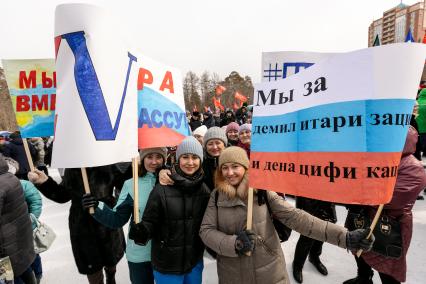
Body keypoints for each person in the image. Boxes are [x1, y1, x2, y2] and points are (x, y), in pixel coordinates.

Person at [199, 146, 374, 284]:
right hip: (233, 275)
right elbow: (206, 231)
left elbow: (298, 218)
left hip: (270, 272)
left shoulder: (262, 192)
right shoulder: (216, 196)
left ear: (246, 167)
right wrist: (234, 243)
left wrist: (345, 237)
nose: (230, 173)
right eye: (225, 168)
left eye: (235, 166)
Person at [343, 126, 426, 284]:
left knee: (387, 262)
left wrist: (360, 191)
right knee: (361, 251)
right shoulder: (378, 158)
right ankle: (363, 277)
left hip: (390, 223)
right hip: (364, 215)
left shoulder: (412, 167)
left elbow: (392, 198)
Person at [27, 165, 129, 284]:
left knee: (111, 258)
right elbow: (62, 195)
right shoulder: (73, 168)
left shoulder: (108, 164)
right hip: (82, 225)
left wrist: (130, 170)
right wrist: (45, 182)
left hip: (107, 219)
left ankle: (111, 277)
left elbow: (124, 187)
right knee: (91, 265)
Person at [128, 136, 211, 284]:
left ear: (201, 160)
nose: (190, 162)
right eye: (185, 157)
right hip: (167, 265)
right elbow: (150, 222)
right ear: (178, 159)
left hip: (194, 262)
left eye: (195, 157)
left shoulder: (204, 190)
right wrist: (142, 231)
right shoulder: (162, 188)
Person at [82, 148, 167, 284]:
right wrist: (96, 206)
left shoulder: (172, 182)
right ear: (142, 159)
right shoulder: (131, 184)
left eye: (159, 157)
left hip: (167, 253)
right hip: (140, 253)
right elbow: (117, 219)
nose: (154, 161)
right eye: (149, 156)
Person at [0, 154, 36, 284]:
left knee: (12, 276)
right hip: (19, 242)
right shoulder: (9, 176)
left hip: (5, 249)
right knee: (23, 269)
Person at [159, 127, 228, 192]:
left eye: (218, 143)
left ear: (224, 144)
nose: (214, 147)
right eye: (210, 144)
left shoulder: (232, 161)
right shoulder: (201, 162)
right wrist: (162, 172)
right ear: (205, 146)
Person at [292, 197, 337, 283]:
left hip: (327, 196)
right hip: (309, 196)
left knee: (322, 231)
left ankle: (314, 257)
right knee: (307, 234)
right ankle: (297, 264)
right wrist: (299, 207)